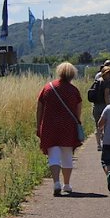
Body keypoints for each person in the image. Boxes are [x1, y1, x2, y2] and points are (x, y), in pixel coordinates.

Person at [36, 62, 83, 196]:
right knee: (67, 155)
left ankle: (56, 182)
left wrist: (38, 125)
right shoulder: (74, 90)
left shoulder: (48, 88)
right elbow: (78, 110)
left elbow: (39, 108)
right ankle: (66, 184)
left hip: (49, 126)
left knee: (53, 155)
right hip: (68, 126)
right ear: (72, 74)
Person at [92, 65, 110, 151]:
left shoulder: (97, 81)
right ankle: (105, 143)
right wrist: (108, 107)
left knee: (97, 126)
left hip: (96, 105)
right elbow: (106, 95)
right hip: (104, 105)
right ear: (106, 74)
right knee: (107, 125)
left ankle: (98, 145)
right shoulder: (106, 82)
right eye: (109, 74)